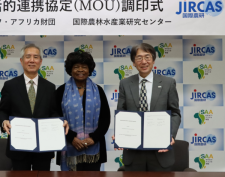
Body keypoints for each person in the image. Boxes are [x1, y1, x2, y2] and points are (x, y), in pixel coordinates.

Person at [0, 44, 68, 171]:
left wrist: (60, 122)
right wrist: (4, 121)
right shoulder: (10, 86)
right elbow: (3, 111)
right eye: (28, 56)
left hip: (43, 149)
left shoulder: (50, 87)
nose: (32, 60)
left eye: (36, 57)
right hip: (18, 147)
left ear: (40, 62)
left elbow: (54, 112)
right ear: (21, 60)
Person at [115, 43, 181, 171]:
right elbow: (121, 113)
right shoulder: (125, 83)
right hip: (133, 151)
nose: (143, 61)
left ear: (153, 60)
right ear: (133, 62)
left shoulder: (168, 83)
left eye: (147, 57)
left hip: (160, 150)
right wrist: (120, 133)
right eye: (139, 58)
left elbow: (175, 113)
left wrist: (170, 135)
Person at [56, 51, 110, 171]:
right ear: (70, 69)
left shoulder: (99, 91)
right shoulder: (61, 91)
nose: (80, 70)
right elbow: (56, 118)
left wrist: (93, 138)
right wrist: (72, 138)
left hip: (94, 148)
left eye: (84, 67)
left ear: (89, 70)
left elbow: (105, 119)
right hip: (69, 146)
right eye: (76, 67)